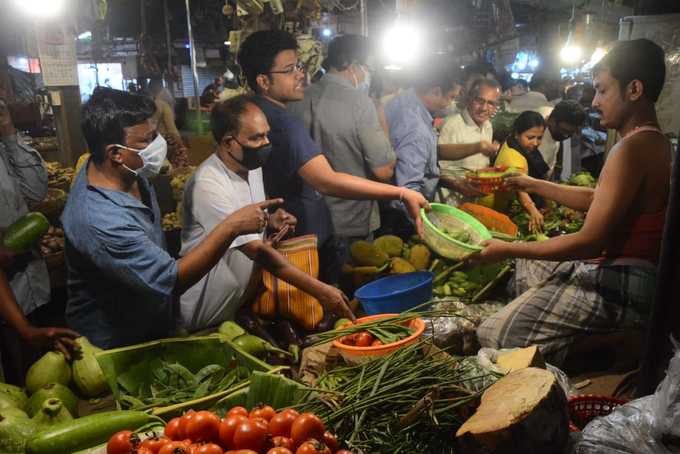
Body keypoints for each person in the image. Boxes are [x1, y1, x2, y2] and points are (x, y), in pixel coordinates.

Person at [475, 39, 671, 368]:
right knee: (526, 272)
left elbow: (588, 241)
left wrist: (507, 248)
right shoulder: (655, 141)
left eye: (602, 90)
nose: (594, 101)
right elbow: (597, 199)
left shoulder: (631, 150)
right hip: (638, 271)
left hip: (625, 278)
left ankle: (614, 343)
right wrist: (534, 184)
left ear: (634, 89)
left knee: (492, 335)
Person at [62, 87, 282, 348]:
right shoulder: (101, 220)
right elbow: (171, 281)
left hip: (154, 319)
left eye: (155, 134)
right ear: (115, 154)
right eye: (147, 140)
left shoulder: (126, 172)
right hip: (116, 341)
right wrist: (231, 226)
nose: (158, 145)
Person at [237, 30, 428, 284]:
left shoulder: (257, 111)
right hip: (301, 238)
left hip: (293, 229)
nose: (300, 74)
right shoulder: (282, 122)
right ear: (263, 81)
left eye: (299, 66)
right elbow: (326, 180)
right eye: (289, 69)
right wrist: (401, 193)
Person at [180, 96, 354, 331]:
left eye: (266, 134)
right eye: (256, 137)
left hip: (236, 304)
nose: (266, 143)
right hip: (203, 313)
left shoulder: (251, 167)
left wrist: (269, 222)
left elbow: (244, 222)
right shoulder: (208, 184)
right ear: (229, 142)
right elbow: (257, 252)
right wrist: (320, 290)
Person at [288, 35, 396, 263]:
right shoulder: (360, 103)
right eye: (368, 67)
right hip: (352, 221)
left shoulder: (297, 99)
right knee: (352, 289)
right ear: (351, 64)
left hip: (307, 222)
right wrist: (381, 118)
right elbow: (383, 170)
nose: (369, 74)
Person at [0, 99, 77, 383]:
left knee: (41, 378)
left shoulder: (5, 146)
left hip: (29, 285)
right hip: (10, 295)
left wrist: (8, 132)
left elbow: (35, 190)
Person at [384, 59, 457, 203]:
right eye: (451, 97)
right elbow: (407, 191)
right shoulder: (417, 129)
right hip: (401, 214)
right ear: (436, 91)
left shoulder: (402, 100)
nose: (451, 104)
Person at [492, 111, 548, 232]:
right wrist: (533, 210)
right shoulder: (513, 157)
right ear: (517, 134)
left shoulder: (513, 142)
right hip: (497, 210)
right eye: (530, 137)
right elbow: (519, 189)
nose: (535, 143)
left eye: (539, 138)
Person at [438, 78, 502, 173]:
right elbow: (440, 171)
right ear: (469, 99)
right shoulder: (451, 125)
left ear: (496, 107)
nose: (484, 108)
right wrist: (463, 186)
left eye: (491, 103)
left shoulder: (488, 125)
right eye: (479, 100)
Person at [538, 100, 586, 175]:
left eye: (571, 132)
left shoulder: (556, 126)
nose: (566, 135)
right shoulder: (537, 137)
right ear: (551, 121)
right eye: (564, 131)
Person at [149, 79, 189, 168]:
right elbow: (172, 129)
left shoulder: (147, 105)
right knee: (177, 170)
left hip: (151, 144)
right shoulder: (163, 105)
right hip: (165, 142)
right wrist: (180, 144)